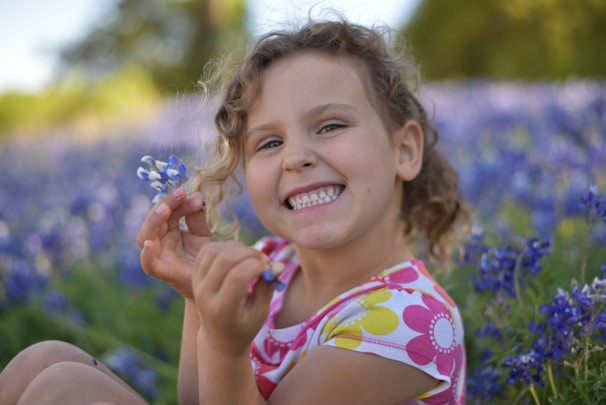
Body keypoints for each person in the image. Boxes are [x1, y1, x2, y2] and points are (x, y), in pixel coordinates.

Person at [0, 18, 470, 404]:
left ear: (406, 149)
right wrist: (197, 299)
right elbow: (195, 399)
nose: (295, 156)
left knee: (65, 389)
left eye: (330, 125)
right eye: (270, 142)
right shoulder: (272, 266)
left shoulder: (411, 322)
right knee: (40, 361)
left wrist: (227, 349)